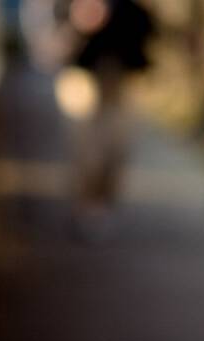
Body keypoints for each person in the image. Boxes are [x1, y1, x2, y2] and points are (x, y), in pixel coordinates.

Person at [62, 0, 154, 239]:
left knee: (118, 145)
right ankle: (86, 205)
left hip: (124, 74)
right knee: (87, 146)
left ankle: (103, 205)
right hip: (84, 72)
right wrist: (77, 20)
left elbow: (148, 26)